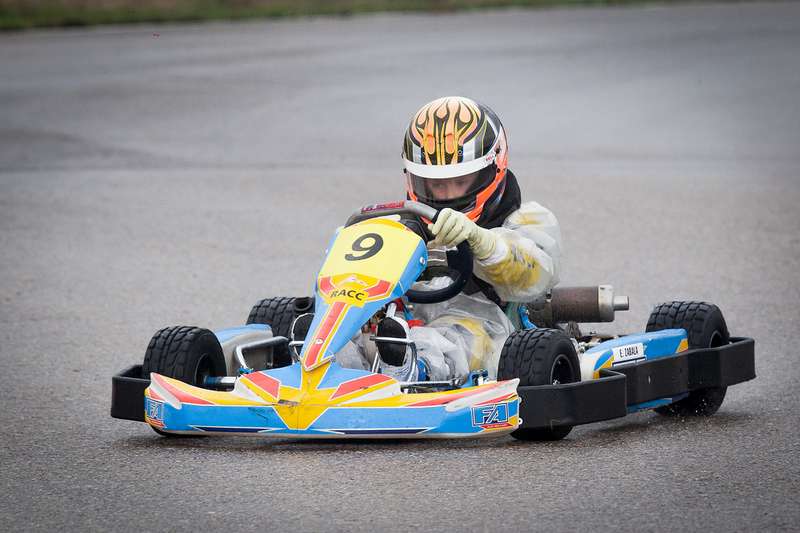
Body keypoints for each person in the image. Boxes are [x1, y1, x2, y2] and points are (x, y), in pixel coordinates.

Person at [369, 96, 563, 382]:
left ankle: (416, 370)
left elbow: (537, 274)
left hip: (487, 329)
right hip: (400, 323)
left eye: (460, 182)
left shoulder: (528, 219)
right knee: (354, 334)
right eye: (436, 185)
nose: (448, 195)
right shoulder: (403, 225)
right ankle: (315, 366)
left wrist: (480, 241)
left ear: (494, 168)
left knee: (462, 333)